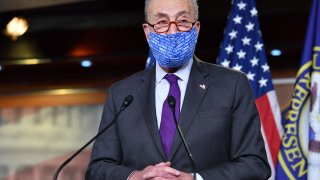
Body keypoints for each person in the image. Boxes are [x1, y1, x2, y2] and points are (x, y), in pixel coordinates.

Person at [85, 0, 271, 179]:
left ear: (196, 29)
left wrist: (196, 179)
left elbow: (255, 164)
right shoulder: (121, 94)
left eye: (182, 21)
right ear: (148, 31)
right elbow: (98, 168)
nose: (172, 31)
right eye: (162, 22)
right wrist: (135, 177)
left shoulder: (233, 84)